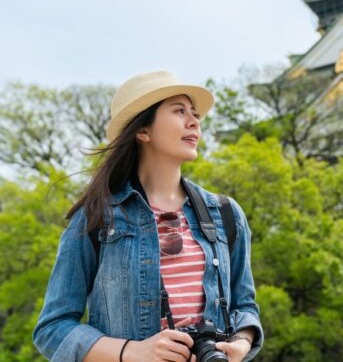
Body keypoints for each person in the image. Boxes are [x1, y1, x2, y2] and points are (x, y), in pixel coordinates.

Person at [33, 71, 263, 362]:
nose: (194, 121)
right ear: (143, 131)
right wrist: (132, 352)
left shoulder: (226, 214)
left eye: (195, 114)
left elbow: (244, 306)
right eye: (179, 111)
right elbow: (52, 329)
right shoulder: (96, 219)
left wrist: (240, 343)